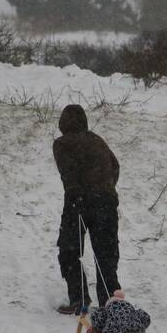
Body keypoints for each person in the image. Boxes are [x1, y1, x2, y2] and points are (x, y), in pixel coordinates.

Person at [53, 104, 121, 314]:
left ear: (63, 123)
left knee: (69, 250)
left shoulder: (62, 144)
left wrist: (79, 195)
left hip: (79, 201)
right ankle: (110, 302)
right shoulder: (97, 140)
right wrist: (106, 188)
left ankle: (79, 299)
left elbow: (69, 174)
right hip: (107, 201)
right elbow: (115, 166)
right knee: (105, 253)